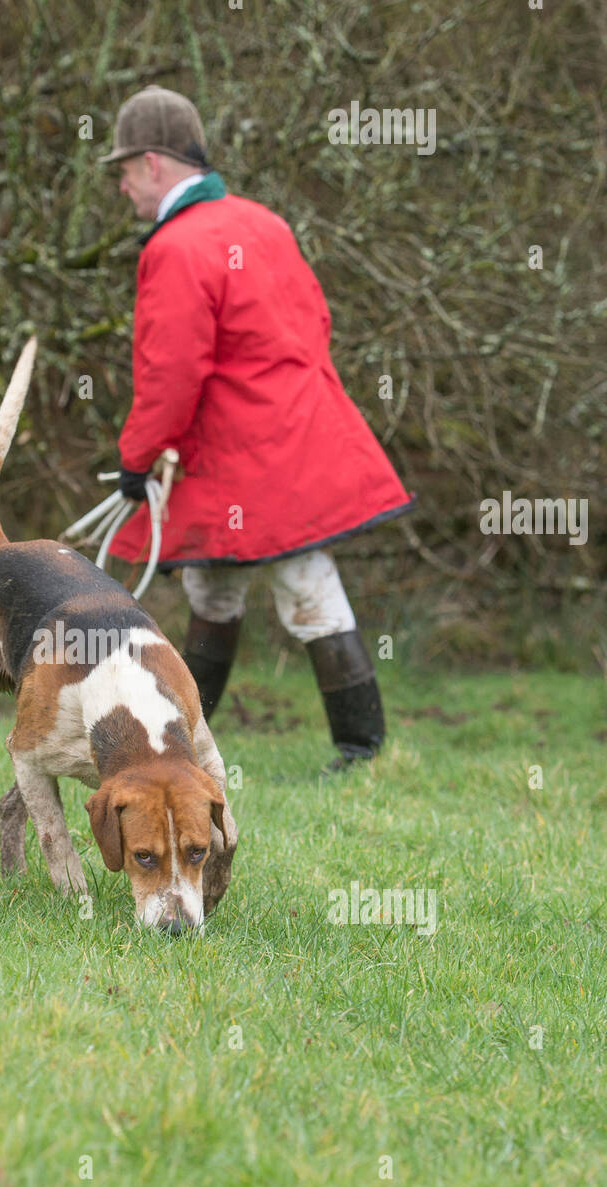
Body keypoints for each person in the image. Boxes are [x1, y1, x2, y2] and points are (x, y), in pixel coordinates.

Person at [99, 86, 415, 770]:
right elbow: (317, 325)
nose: (122, 188)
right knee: (218, 587)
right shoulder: (264, 222)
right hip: (292, 439)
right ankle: (185, 744)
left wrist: (138, 456)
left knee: (302, 585)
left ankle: (360, 751)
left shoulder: (177, 247)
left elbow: (173, 373)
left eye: (123, 172)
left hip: (252, 454)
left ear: (154, 164)